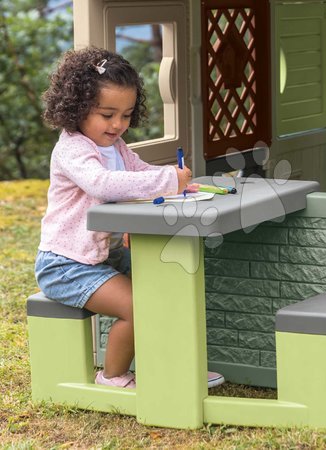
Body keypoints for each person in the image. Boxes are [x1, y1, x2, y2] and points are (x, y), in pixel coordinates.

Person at [35, 47, 224, 389]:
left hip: (105, 255)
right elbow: (103, 183)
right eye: (107, 114)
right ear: (77, 106)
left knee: (170, 286)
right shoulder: (73, 149)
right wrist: (167, 180)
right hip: (66, 264)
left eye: (125, 115)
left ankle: (177, 363)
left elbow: (138, 172)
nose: (118, 125)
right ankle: (113, 377)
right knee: (140, 305)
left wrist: (177, 184)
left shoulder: (116, 146)